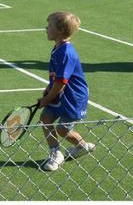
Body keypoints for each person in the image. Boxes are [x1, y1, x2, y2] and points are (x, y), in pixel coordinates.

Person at [37, 12, 93, 171]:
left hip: (73, 97)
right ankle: (56, 153)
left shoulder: (66, 53)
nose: (46, 28)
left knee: (62, 129)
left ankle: (82, 146)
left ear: (60, 30)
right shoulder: (57, 48)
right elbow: (56, 77)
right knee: (45, 118)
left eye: (50, 26)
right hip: (60, 93)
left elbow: (61, 83)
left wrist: (47, 100)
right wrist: (47, 90)